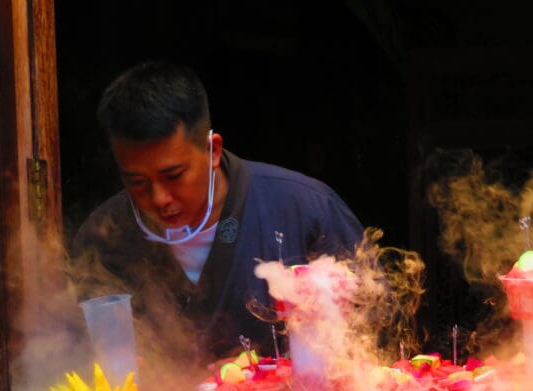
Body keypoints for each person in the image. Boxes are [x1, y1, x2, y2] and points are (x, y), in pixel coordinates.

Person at [67, 59, 365, 368]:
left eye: (174, 175)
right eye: (137, 181)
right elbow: (73, 354)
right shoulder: (102, 240)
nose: (159, 198)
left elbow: (374, 330)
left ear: (213, 150)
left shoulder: (304, 209)